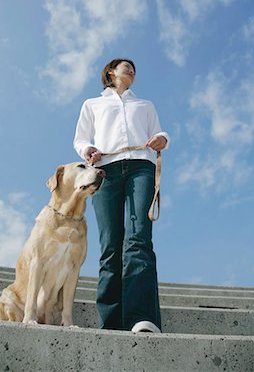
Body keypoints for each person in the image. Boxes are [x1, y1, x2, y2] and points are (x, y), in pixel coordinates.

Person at [73, 59, 169, 333]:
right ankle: (111, 322)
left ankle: (142, 318)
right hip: (105, 171)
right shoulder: (92, 104)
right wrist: (88, 149)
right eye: (126, 67)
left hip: (142, 166)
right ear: (110, 72)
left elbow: (158, 132)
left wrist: (163, 138)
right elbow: (80, 139)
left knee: (139, 238)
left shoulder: (145, 105)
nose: (131, 71)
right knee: (110, 245)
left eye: (134, 69)